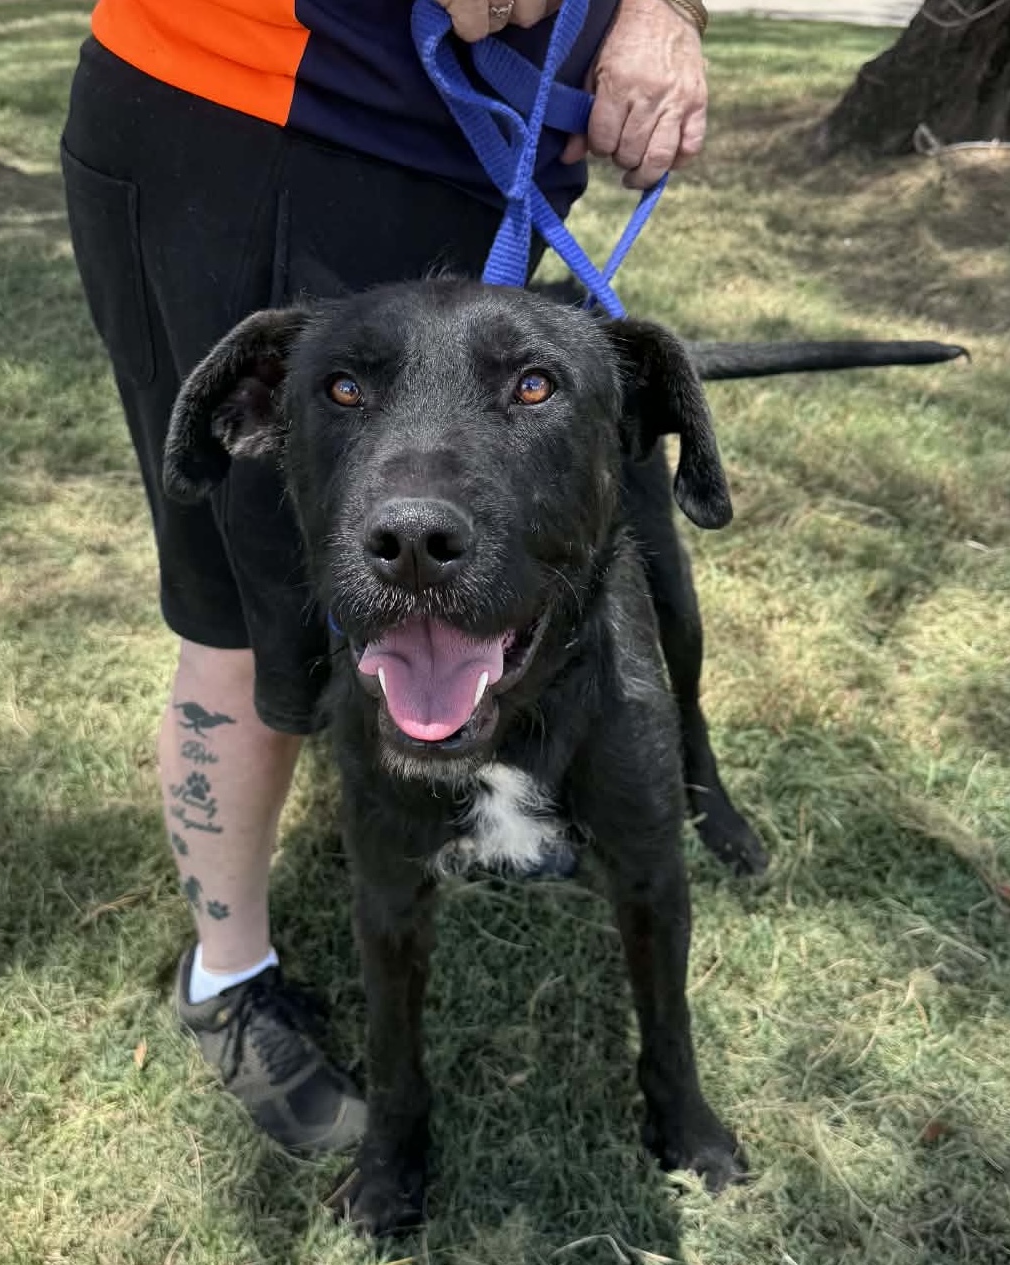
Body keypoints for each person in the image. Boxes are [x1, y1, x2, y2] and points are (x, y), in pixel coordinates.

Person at [61, 0, 711, 1154]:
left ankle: (516, 792)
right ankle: (228, 977)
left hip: (486, 153)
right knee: (244, 620)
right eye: (336, 393)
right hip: (247, 111)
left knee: (498, 535)